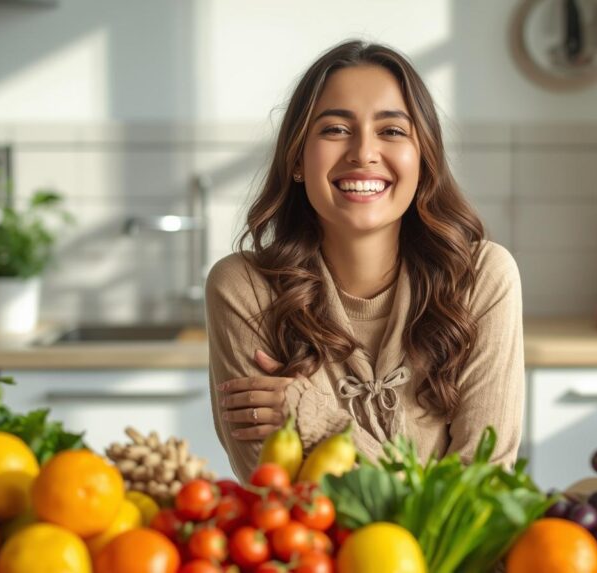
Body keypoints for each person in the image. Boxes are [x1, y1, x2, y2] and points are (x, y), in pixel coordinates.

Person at [205, 40, 524, 480]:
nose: (363, 153)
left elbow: (480, 490)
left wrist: (315, 420)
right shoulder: (244, 288)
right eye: (335, 129)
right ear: (298, 158)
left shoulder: (482, 277)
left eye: (391, 131)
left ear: (423, 159)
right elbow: (276, 493)